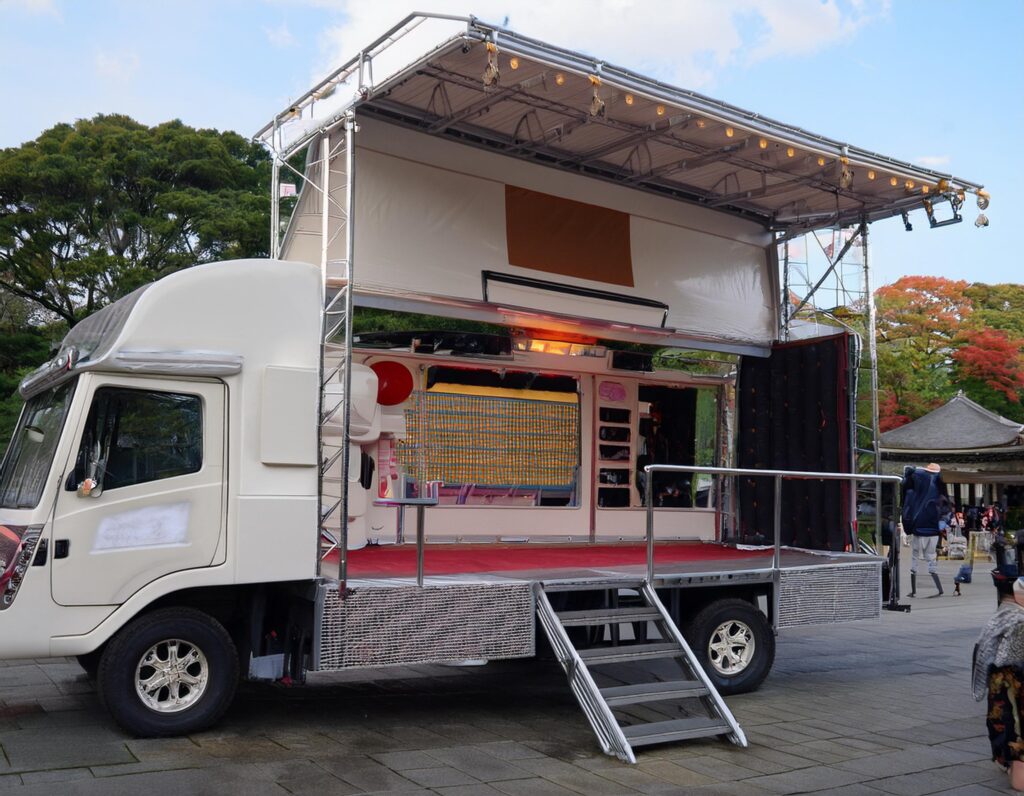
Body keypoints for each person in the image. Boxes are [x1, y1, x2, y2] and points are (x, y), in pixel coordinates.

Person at [973, 564, 1024, 791]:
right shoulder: (1018, 620)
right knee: (1014, 730)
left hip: (999, 686)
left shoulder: (1001, 615)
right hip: (1013, 686)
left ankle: (1008, 762)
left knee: (1003, 726)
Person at [901, 463, 950, 598]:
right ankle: (938, 588)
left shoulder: (913, 484)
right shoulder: (939, 487)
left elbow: (906, 509)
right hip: (934, 529)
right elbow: (946, 509)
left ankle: (914, 591)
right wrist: (942, 525)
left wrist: (908, 529)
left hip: (918, 528)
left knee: (915, 558)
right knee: (931, 557)